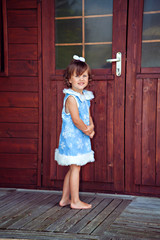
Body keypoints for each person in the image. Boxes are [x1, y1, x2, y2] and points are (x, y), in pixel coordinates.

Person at [55, 55, 95, 209]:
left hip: (81, 136)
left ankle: (65, 199)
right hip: (72, 138)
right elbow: (77, 120)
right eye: (77, 76)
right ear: (69, 79)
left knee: (74, 167)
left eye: (84, 75)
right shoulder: (71, 98)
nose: (81, 79)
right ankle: (75, 201)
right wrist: (86, 130)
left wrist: (91, 128)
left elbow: (88, 116)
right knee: (75, 167)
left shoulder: (84, 96)